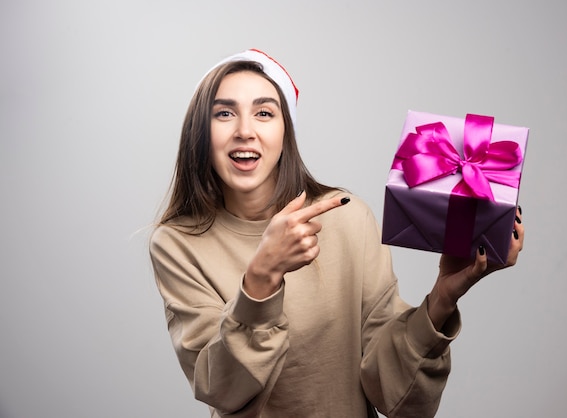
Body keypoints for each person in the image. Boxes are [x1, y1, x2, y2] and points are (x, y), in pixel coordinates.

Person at [149, 49, 524, 418]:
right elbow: (223, 390)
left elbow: (393, 394)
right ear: (202, 131)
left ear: (286, 131)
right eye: (225, 113)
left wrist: (442, 297)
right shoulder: (177, 243)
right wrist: (261, 278)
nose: (245, 131)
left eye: (264, 113)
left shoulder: (346, 216)